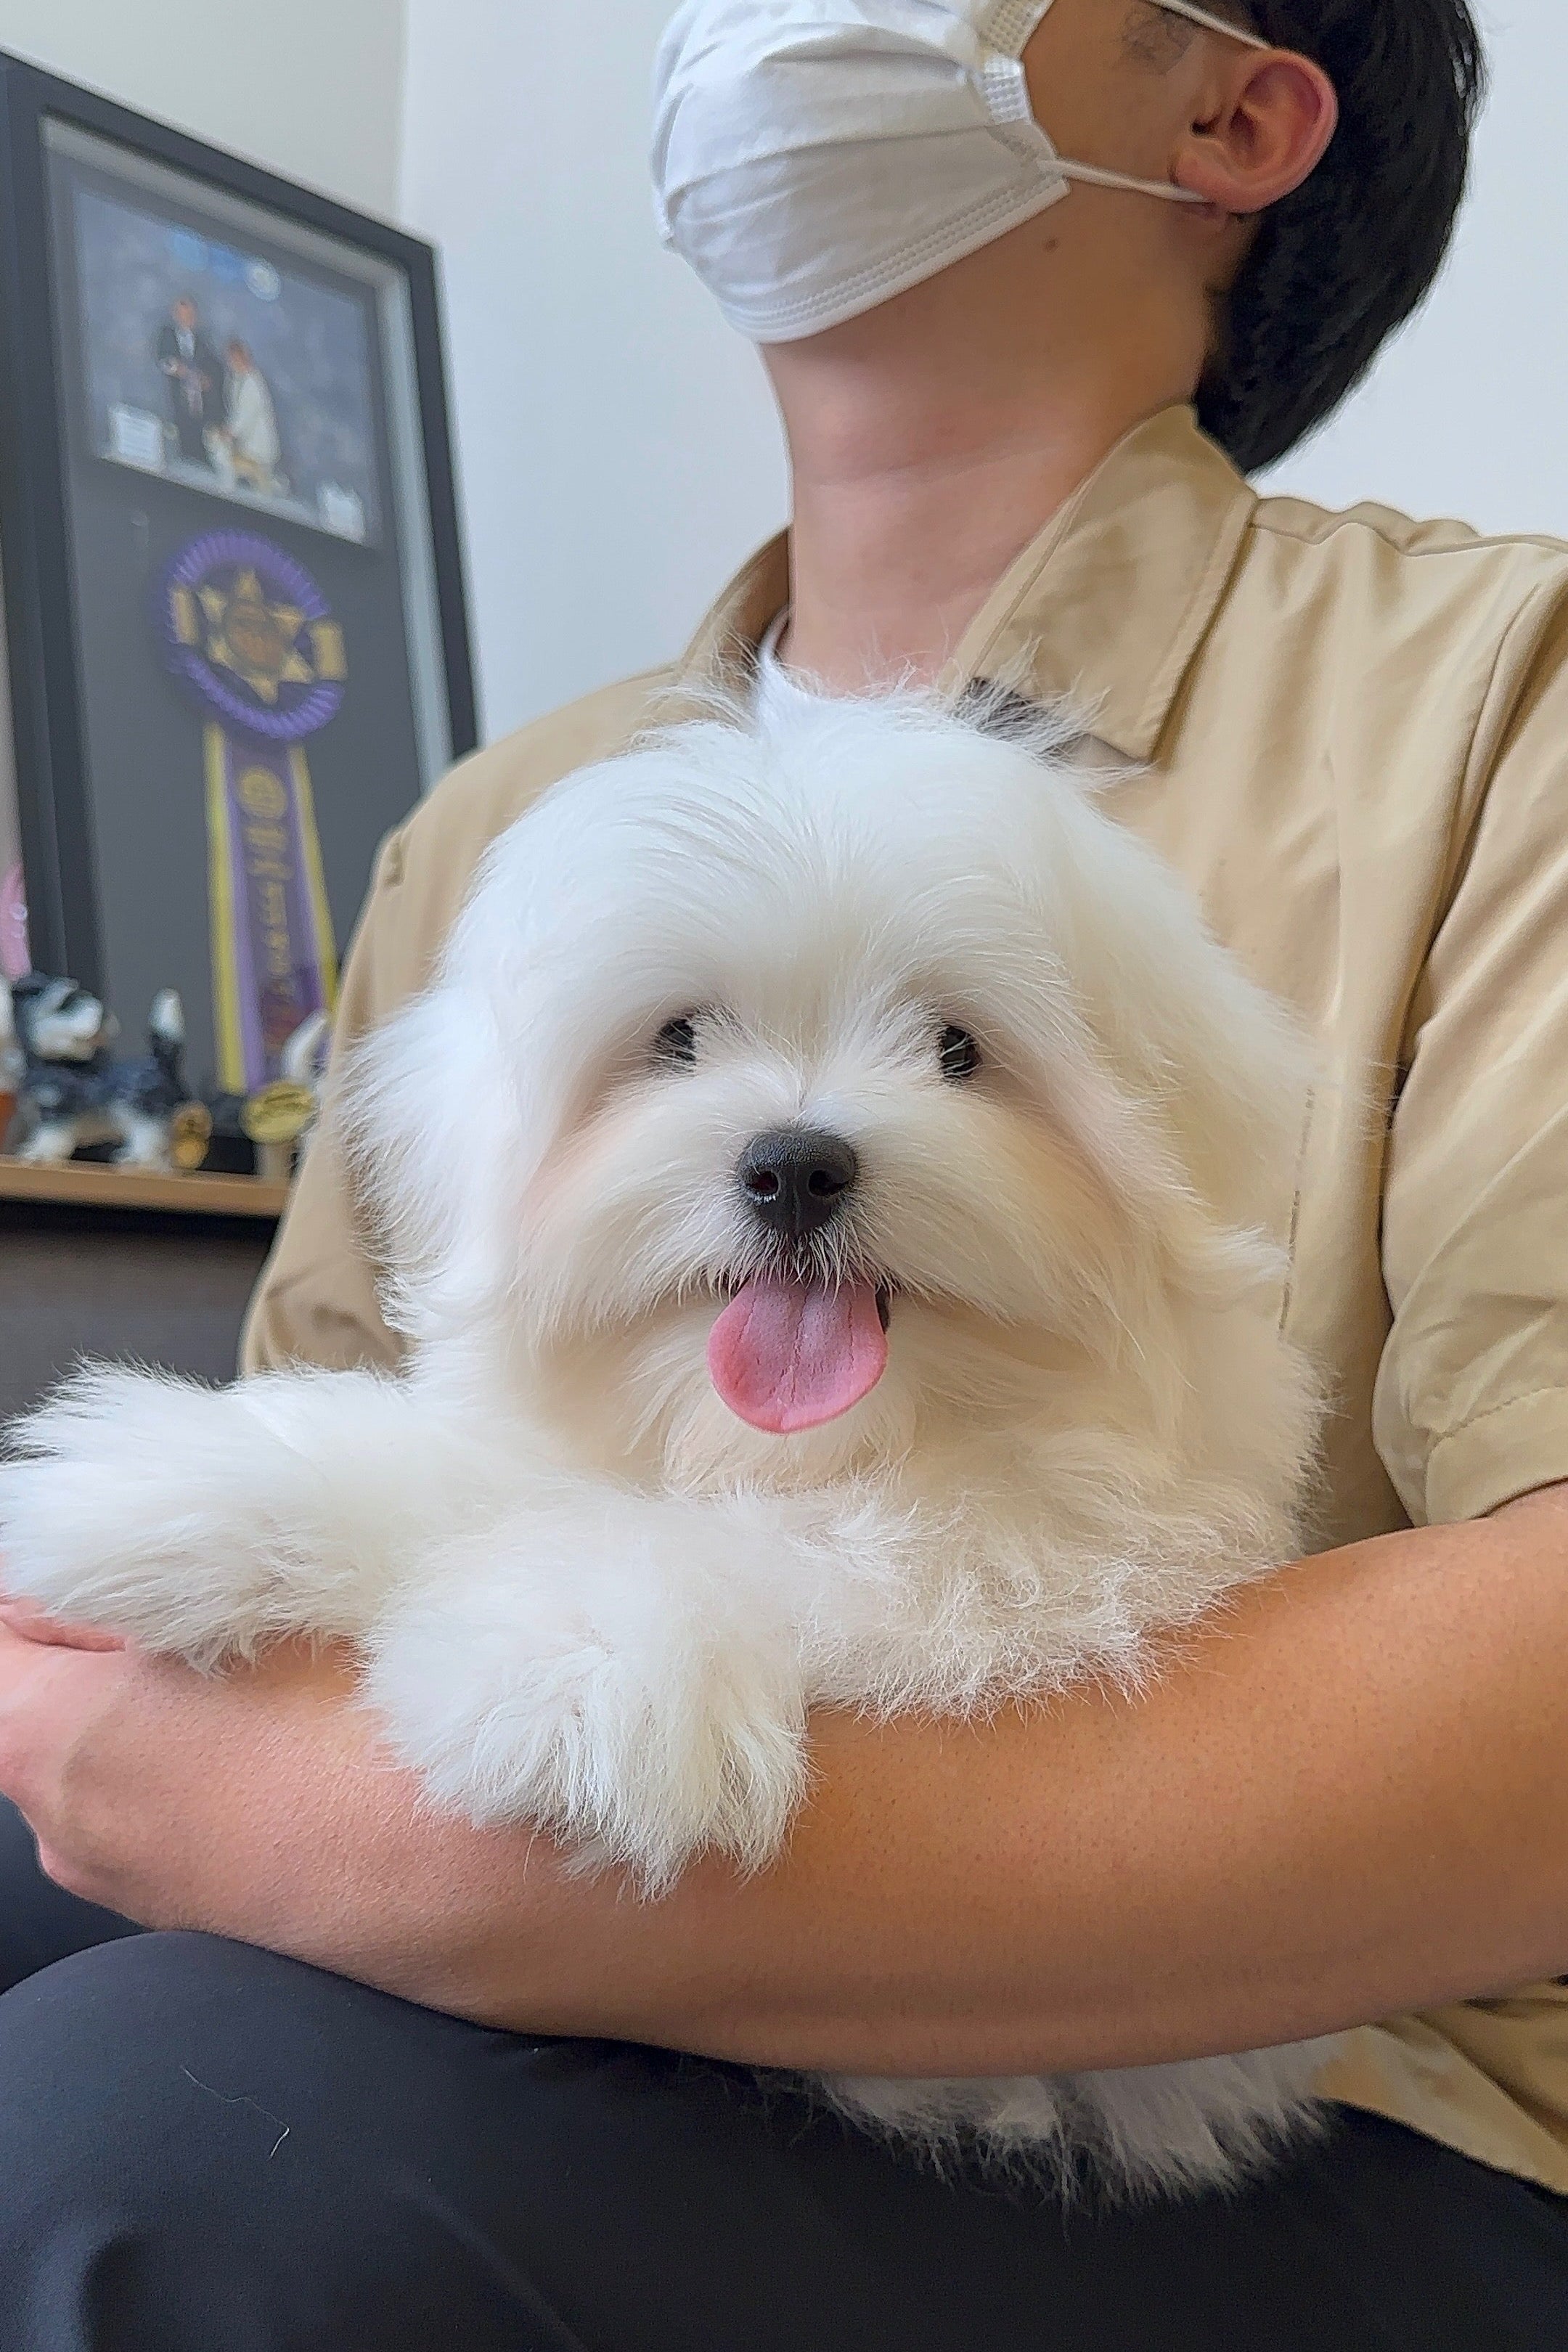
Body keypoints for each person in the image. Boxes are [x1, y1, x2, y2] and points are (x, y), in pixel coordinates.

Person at [2, 1, 1567, 2343]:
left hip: (1357, 2089)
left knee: (151, 2150)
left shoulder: (1500, 700)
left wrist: (389, 1845)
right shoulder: (490, 833)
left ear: (1234, 111)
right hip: (540, 1834)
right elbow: (306, 1485)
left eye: (951, 1049)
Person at [153, 295, 219, 469]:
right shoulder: (167, 335)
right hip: (174, 403)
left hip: (198, 407)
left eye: (190, 315)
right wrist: (178, 369)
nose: (187, 319)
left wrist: (206, 380)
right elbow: (163, 360)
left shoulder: (203, 342)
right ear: (175, 315)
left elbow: (213, 371)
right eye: (183, 315)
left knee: (199, 450)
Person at [214, 339, 283, 497]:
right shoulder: (235, 380)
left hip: (258, 448)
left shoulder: (253, 383)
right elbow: (235, 411)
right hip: (245, 443)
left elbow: (246, 415)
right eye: (230, 359)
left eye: (236, 358)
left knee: (261, 489)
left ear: (244, 358)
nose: (232, 362)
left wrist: (230, 432)